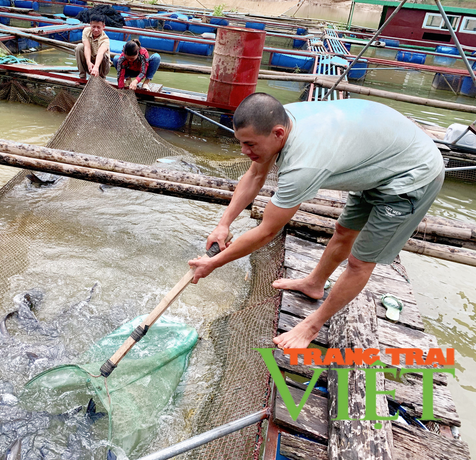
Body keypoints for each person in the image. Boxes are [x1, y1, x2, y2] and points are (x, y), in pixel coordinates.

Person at [188, 94, 444, 350]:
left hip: (412, 175)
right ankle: (314, 284)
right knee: (344, 230)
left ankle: (312, 325)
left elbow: (267, 232)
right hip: (382, 157)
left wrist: (214, 263)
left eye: (250, 145)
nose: (244, 151)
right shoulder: (276, 118)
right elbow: (255, 175)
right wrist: (223, 225)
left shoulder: (302, 165)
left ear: (278, 133)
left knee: (360, 261)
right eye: (241, 142)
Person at [75, 13, 111, 80]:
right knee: (79, 47)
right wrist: (88, 63)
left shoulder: (105, 39)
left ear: (103, 27)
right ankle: (82, 76)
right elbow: (87, 47)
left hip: (101, 67)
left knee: (104, 56)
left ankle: (101, 78)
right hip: (90, 63)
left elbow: (100, 53)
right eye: (93, 27)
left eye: (98, 27)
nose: (96, 30)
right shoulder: (86, 31)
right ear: (90, 24)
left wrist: (96, 67)